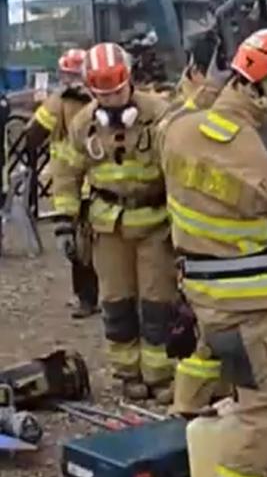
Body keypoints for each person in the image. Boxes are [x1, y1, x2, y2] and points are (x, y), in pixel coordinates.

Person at [159, 29, 267, 477]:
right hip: (253, 295)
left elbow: (189, 112)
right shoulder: (262, 149)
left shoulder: (178, 129)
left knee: (256, 371)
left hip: (204, 290)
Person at [53, 43, 179, 399]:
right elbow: (65, 172)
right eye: (103, 95)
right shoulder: (83, 124)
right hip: (108, 226)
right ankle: (128, 374)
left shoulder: (159, 114)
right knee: (117, 301)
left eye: (118, 92)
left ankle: (161, 374)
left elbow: (179, 167)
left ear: (130, 81)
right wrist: (65, 219)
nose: (111, 102)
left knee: (159, 301)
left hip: (155, 222)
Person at [24, 48, 98, 317]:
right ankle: (107, 296)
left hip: (72, 183)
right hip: (107, 182)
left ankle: (87, 300)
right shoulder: (102, 98)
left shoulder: (61, 102)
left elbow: (33, 134)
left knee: (78, 246)